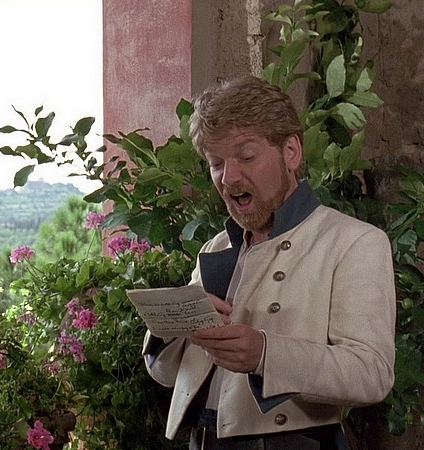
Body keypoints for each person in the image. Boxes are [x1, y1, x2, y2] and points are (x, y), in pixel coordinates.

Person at [142, 75, 396, 450]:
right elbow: (166, 375)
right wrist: (173, 327)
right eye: (216, 163)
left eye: (246, 157)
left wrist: (265, 354)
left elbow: (371, 375)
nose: (229, 177)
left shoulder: (354, 242)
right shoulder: (215, 247)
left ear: (290, 152)